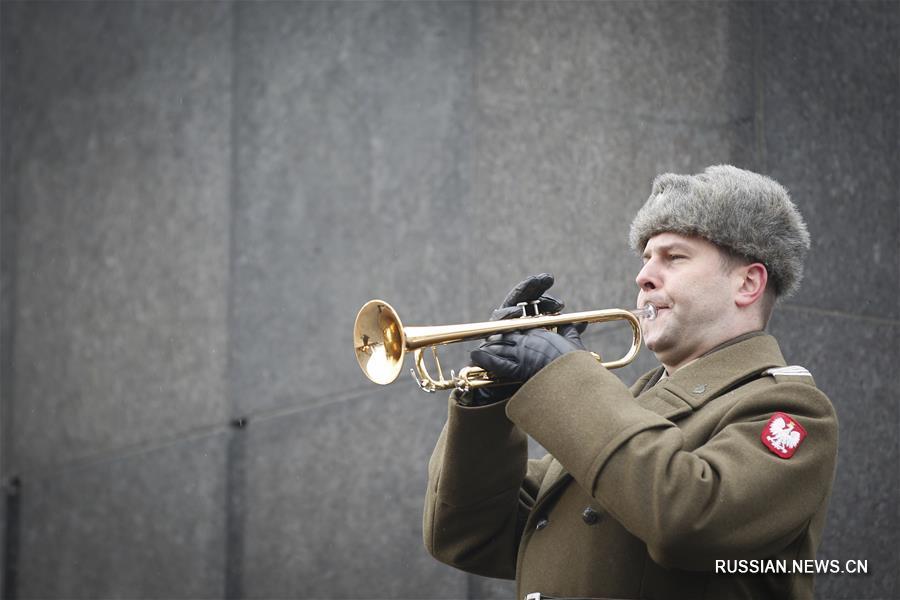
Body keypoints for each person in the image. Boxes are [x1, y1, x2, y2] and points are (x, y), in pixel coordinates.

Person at [423, 165, 838, 600]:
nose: (643, 276)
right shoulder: (628, 407)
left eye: (674, 257)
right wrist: (489, 404)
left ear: (748, 283)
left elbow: (688, 520)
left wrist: (565, 377)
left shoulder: (791, 409)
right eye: (645, 258)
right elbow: (468, 536)